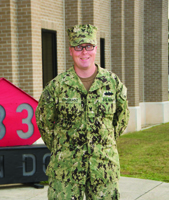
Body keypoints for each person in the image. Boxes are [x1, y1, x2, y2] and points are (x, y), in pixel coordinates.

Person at [35, 24, 129, 200]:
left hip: (103, 169)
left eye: (89, 46)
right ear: (71, 51)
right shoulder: (57, 86)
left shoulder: (112, 83)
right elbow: (43, 122)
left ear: (95, 49)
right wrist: (62, 147)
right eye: (78, 47)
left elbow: (121, 120)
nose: (84, 52)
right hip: (66, 171)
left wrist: (102, 143)